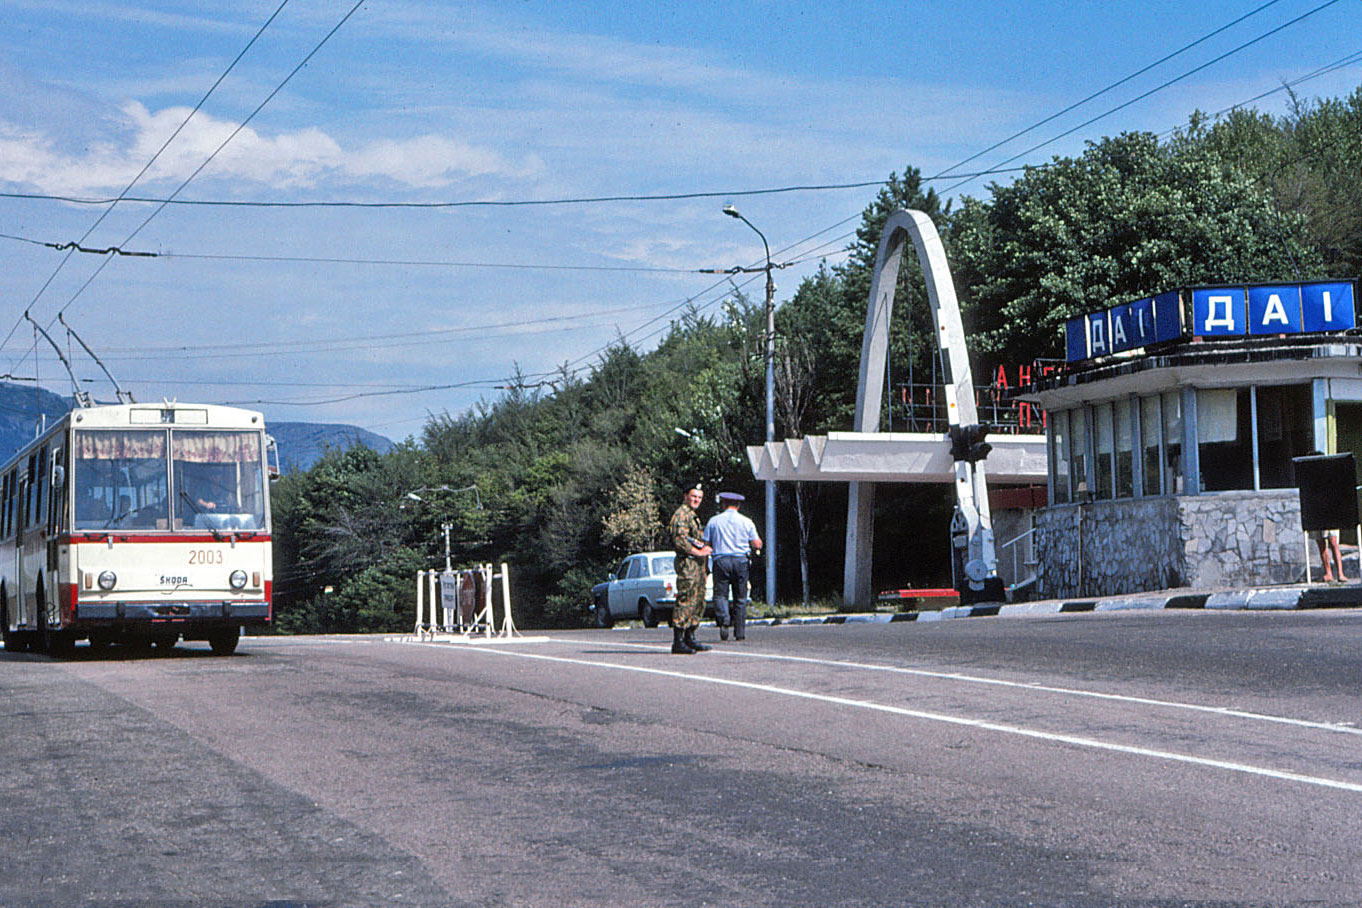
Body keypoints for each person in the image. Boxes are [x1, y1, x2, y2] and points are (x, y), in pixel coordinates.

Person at [703, 491, 762, 641]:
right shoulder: (747, 521)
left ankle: (724, 620)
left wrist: (705, 567)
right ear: (739, 505)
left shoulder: (714, 521)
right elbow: (756, 543)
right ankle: (740, 632)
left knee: (721, 594)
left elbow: (706, 545)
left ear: (723, 504)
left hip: (721, 561)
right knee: (740, 597)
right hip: (740, 561)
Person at [667, 482, 712, 654]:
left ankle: (690, 636)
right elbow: (680, 541)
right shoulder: (681, 515)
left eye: (699, 497)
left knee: (698, 600)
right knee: (686, 599)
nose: (696, 500)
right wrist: (699, 553)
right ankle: (678, 641)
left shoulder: (692, 515)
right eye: (693, 496)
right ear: (685, 496)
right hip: (688, 563)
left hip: (697, 565)